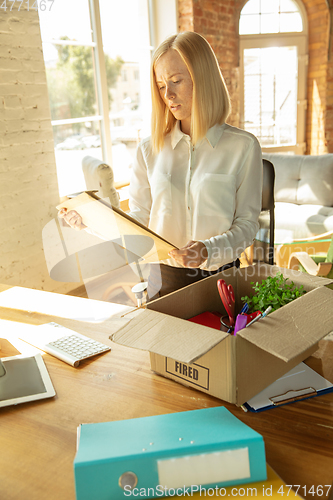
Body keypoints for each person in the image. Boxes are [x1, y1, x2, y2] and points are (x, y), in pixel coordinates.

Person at [59, 31, 262, 301]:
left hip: (221, 280)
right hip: (161, 278)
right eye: (161, 85)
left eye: (176, 81)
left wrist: (208, 249)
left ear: (203, 79)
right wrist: (88, 221)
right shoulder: (148, 149)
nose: (168, 94)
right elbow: (139, 222)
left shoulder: (243, 147)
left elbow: (247, 225)